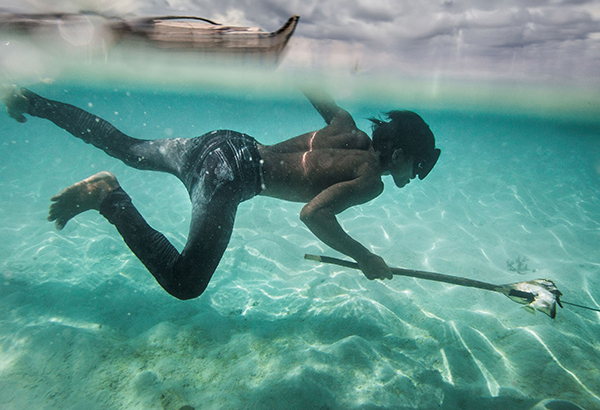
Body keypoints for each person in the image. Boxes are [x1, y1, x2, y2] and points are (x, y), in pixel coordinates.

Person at [1, 85, 440, 300]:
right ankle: (107, 196)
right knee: (185, 283)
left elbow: (307, 79)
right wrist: (364, 257)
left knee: (126, 147)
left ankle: (30, 101)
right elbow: (314, 215)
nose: (413, 177)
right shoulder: (371, 180)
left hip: (224, 143)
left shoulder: (343, 122)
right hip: (230, 176)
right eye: (415, 167)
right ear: (398, 152)